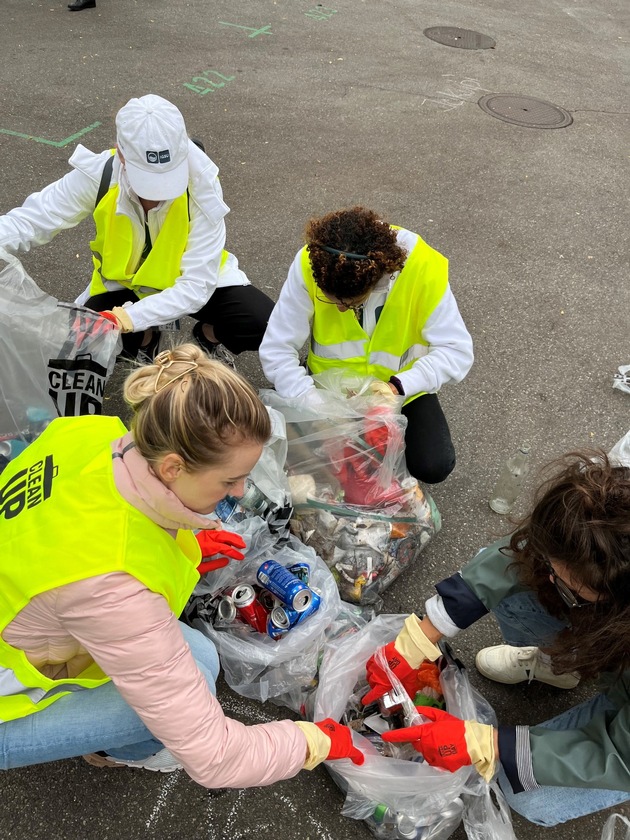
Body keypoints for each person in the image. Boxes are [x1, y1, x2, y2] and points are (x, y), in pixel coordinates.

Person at [0, 344, 363, 785]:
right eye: (230, 480)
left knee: (202, 657)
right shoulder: (114, 584)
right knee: (161, 712)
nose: (239, 491)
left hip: (27, 617)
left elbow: (74, 520)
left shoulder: (87, 432)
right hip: (9, 692)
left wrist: (181, 537)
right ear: (172, 467)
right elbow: (218, 759)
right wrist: (315, 742)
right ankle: (123, 751)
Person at [363, 450, 630, 826]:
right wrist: (418, 639)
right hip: (611, 630)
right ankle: (561, 665)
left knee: (529, 796)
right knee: (523, 585)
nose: (551, 579)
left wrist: (489, 744)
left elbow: (621, 758)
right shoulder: (606, 520)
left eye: (571, 589)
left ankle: (596, 675)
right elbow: (511, 557)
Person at [0, 94, 274, 367]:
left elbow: (195, 286)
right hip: (123, 285)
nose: (158, 196)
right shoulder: (99, 174)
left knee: (265, 324)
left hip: (192, 279)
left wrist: (128, 318)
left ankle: (208, 337)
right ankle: (145, 340)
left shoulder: (202, 181)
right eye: (148, 182)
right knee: (81, 350)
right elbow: (30, 220)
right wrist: (129, 320)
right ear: (121, 154)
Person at [259, 206, 473, 485]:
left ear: (378, 281)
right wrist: (313, 403)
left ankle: (385, 465)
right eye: (330, 299)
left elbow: (457, 351)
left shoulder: (423, 269)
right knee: (291, 457)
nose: (338, 307)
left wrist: (397, 387)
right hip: (328, 390)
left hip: (398, 391)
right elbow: (276, 350)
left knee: (433, 465)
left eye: (349, 302)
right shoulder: (311, 263)